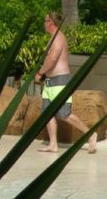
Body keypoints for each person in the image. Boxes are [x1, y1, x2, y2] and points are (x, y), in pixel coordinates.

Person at [35, 11, 97, 154]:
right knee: (47, 114)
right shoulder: (53, 38)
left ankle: (90, 134)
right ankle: (53, 144)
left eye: (45, 21)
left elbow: (52, 59)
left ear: (50, 22)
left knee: (64, 114)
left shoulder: (58, 39)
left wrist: (40, 73)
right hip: (50, 82)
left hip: (60, 81)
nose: (44, 24)